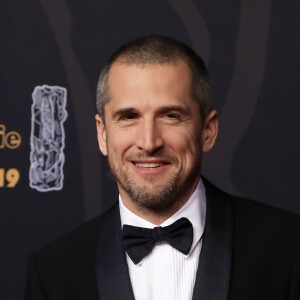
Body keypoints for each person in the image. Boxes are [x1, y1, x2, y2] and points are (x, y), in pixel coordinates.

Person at [25, 36, 300, 300]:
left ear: (208, 130)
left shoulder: (287, 247)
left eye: (170, 116)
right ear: (102, 134)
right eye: (129, 117)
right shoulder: (53, 271)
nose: (149, 142)